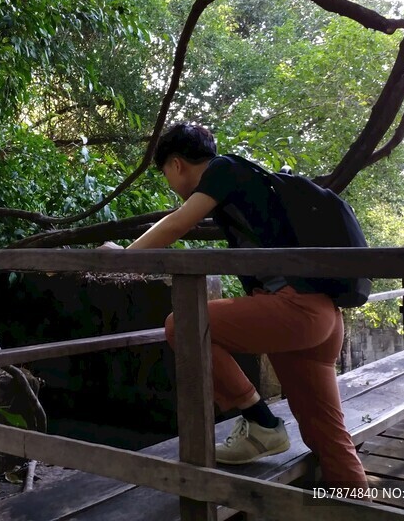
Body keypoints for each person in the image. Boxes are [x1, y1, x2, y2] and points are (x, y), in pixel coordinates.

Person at [108, 122, 368, 489]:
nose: (170, 183)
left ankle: (261, 422)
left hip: (295, 310)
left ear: (176, 164)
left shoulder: (223, 169)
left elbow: (177, 224)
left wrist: (121, 258)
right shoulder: (246, 187)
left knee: (183, 324)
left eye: (166, 173)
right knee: (327, 436)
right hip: (321, 315)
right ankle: (356, 504)